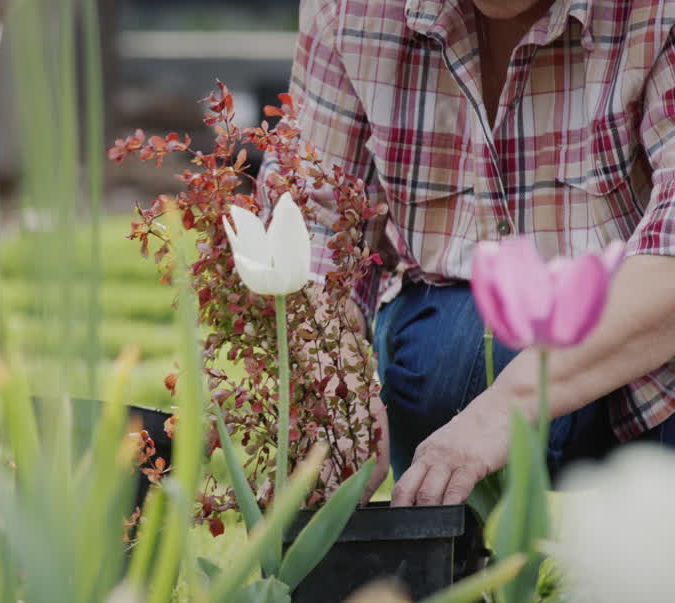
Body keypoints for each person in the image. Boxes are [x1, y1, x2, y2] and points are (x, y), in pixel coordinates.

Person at [288, 0, 675, 506]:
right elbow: (312, 229)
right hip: (460, 347)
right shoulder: (350, 10)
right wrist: (336, 394)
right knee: (449, 355)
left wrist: (503, 410)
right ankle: (463, 542)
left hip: (653, 364)